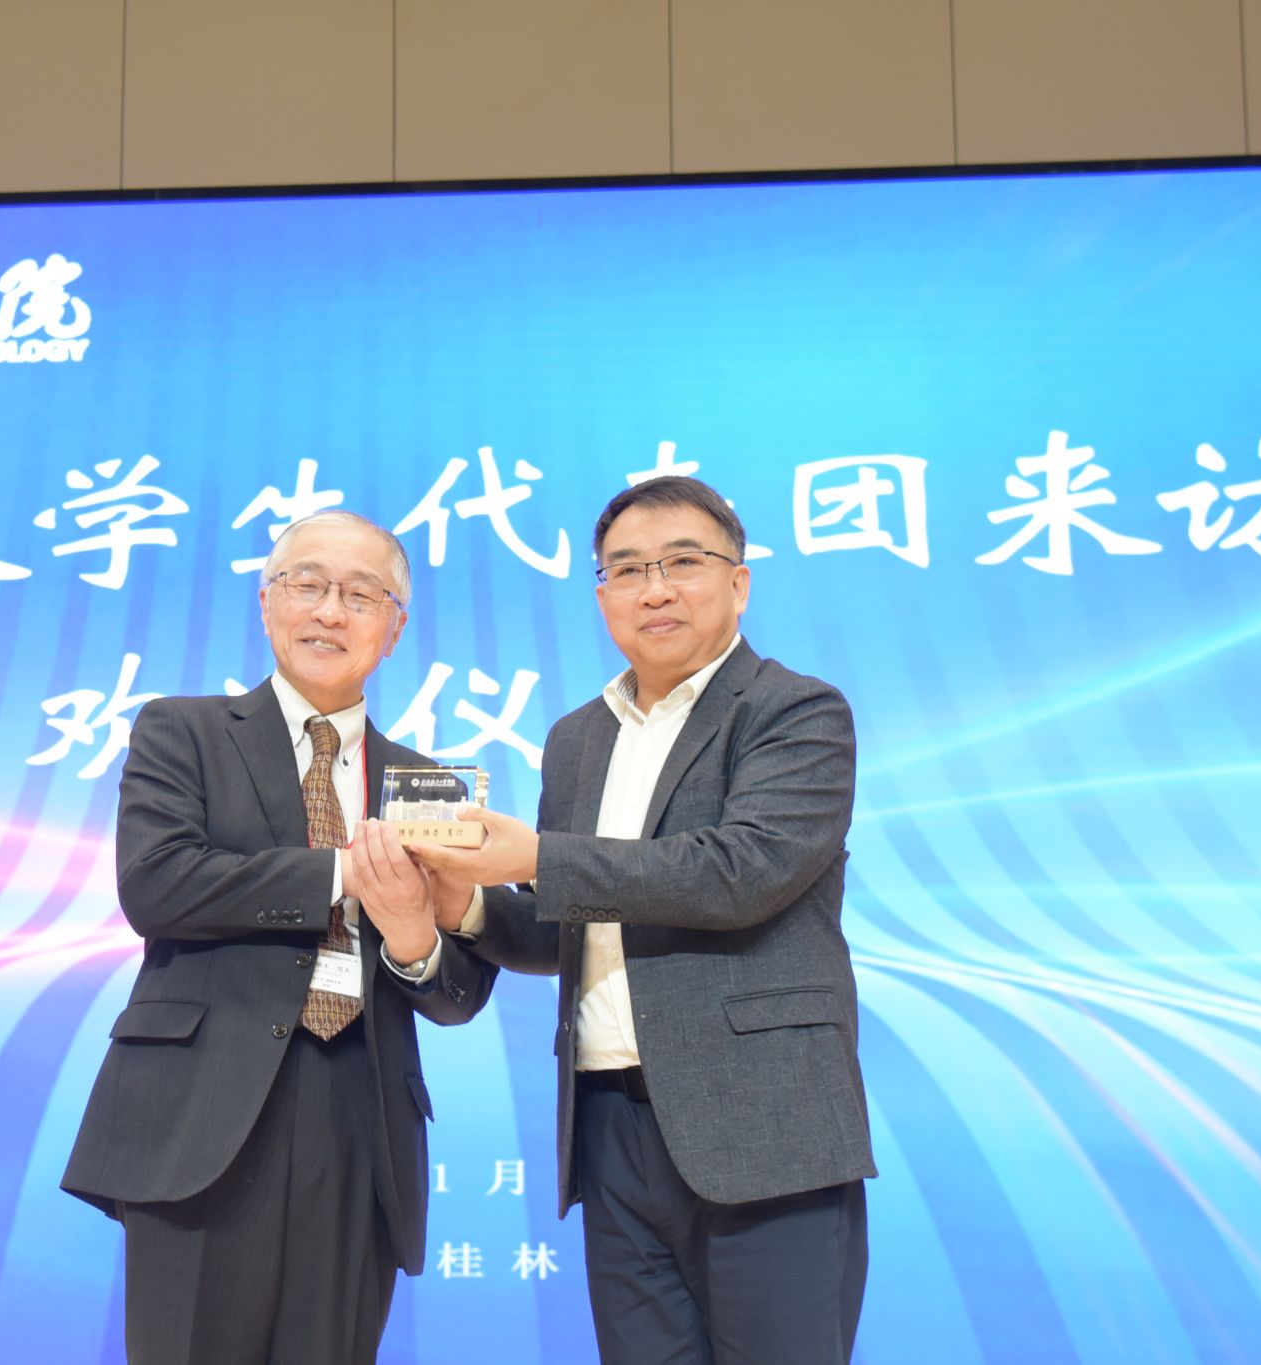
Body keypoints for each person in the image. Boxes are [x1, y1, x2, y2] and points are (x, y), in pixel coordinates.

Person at [415, 475, 873, 1365]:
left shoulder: (795, 711)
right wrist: (461, 900)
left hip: (764, 1126)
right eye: (627, 570)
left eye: (681, 562)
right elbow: (569, 923)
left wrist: (534, 857)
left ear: (738, 583)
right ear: (603, 597)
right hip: (609, 1126)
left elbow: (739, 873)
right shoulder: (577, 737)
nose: (654, 589)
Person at [62, 511, 497, 1365]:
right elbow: (157, 883)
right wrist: (346, 873)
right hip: (204, 1109)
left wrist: (415, 939)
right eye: (309, 584)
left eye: (362, 594)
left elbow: (461, 993)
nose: (331, 611)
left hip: (361, 1118)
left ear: (394, 627)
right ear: (267, 603)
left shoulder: (427, 784)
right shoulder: (182, 730)